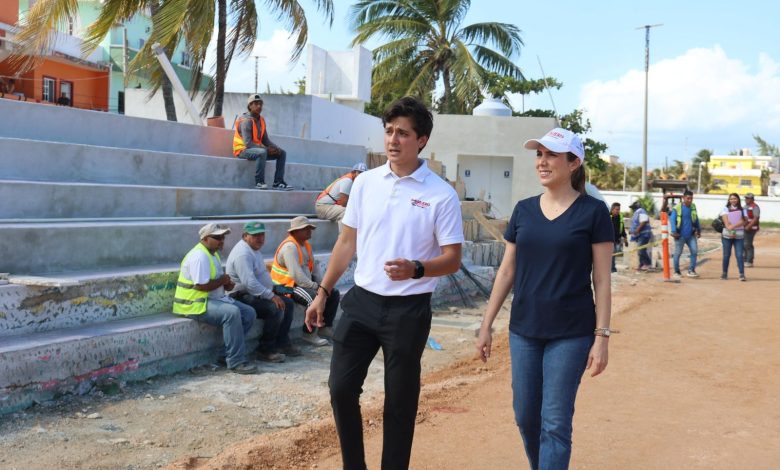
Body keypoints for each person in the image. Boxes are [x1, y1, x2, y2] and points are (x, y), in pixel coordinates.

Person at [305, 97, 464, 470]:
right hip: (361, 302)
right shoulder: (365, 183)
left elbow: (453, 258)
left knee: (399, 403)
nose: (393, 140)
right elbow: (347, 243)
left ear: (421, 140)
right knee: (341, 388)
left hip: (408, 310)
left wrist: (417, 269)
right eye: (389, 131)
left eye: (403, 133)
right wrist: (322, 292)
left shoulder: (441, 194)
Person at [476, 127, 613, 470]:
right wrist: (486, 324)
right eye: (539, 154)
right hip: (524, 330)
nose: (542, 161)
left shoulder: (593, 212)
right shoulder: (523, 210)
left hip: (571, 333)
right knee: (526, 417)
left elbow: (602, 279)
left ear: (574, 163)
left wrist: (602, 337)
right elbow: (507, 271)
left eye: (552, 155)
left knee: (555, 422)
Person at [172, 223, 257, 374]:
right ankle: (236, 361)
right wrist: (222, 281)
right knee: (232, 313)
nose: (221, 241)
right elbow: (201, 286)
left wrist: (226, 284)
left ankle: (225, 355)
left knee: (249, 313)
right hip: (193, 304)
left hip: (211, 299)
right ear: (205, 239)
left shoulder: (213, 254)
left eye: (223, 237)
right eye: (217, 238)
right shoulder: (199, 256)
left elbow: (216, 281)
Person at [225, 221, 301, 363]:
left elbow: (260, 276)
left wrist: (276, 290)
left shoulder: (253, 249)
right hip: (241, 295)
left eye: (262, 235)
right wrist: (272, 296)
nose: (260, 239)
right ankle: (265, 349)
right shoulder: (243, 254)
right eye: (256, 236)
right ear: (245, 236)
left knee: (291, 297)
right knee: (274, 308)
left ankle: (282, 342)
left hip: (263, 289)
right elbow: (249, 283)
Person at [272, 216, 340, 347]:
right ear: (295, 231)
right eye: (305, 229)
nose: (309, 231)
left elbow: (313, 268)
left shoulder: (306, 245)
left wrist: (324, 287)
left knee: (333, 292)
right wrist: (316, 287)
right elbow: (296, 275)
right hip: (283, 287)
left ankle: (325, 327)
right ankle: (309, 334)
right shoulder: (289, 247)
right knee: (314, 298)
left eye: (310, 228)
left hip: (299, 284)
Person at [233, 94, 293, 191]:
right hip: (242, 150)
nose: (259, 106)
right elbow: (248, 143)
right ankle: (259, 182)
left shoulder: (261, 120)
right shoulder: (246, 121)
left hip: (257, 150)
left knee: (282, 153)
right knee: (262, 152)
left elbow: (265, 140)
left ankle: (278, 182)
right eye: (256, 104)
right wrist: (266, 149)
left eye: (261, 104)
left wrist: (275, 148)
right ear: (250, 106)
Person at [315, 162, 368, 232]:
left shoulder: (355, 181)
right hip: (323, 207)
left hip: (329, 206)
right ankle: (344, 238)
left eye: (364, 173)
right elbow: (343, 202)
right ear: (353, 172)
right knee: (346, 213)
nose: (362, 175)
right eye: (360, 172)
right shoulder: (348, 181)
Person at [670, 190, 701, 278]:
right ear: (683, 198)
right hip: (680, 235)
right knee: (677, 253)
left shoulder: (693, 207)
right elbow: (672, 220)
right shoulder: (677, 208)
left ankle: (691, 270)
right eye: (688, 198)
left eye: (691, 198)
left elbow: (696, 219)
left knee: (694, 251)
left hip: (691, 235)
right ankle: (677, 272)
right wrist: (674, 231)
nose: (690, 200)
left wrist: (699, 230)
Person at [719, 193, 746, 281]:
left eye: (735, 198)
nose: (733, 200)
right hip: (727, 236)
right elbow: (726, 222)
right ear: (729, 200)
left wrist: (732, 227)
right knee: (726, 255)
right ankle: (724, 273)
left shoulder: (743, 210)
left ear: (738, 199)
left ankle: (741, 274)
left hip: (739, 236)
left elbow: (744, 221)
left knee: (739, 255)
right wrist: (731, 229)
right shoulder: (725, 209)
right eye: (731, 199)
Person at [629, 199, 653, 271]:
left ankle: (647, 263)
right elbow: (635, 223)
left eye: (633, 207)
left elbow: (644, 221)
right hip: (639, 234)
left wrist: (637, 230)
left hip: (644, 234)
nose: (632, 209)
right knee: (640, 250)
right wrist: (632, 230)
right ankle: (642, 264)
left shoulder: (641, 211)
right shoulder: (636, 213)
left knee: (641, 250)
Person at [743, 193, 760, 267]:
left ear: (752, 199)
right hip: (744, 227)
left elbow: (756, 218)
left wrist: (749, 226)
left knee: (747, 244)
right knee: (745, 244)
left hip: (751, 228)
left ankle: (749, 261)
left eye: (748, 198)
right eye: (746, 198)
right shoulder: (745, 206)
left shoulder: (755, 207)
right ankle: (745, 260)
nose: (746, 199)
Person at [610, 202, 628, 273]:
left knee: (614, 254)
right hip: (609, 239)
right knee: (612, 253)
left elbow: (622, 229)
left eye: (619, 209)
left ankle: (612, 268)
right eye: (617, 209)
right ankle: (612, 268)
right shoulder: (608, 216)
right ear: (612, 209)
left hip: (617, 239)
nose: (618, 211)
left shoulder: (620, 217)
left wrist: (625, 239)